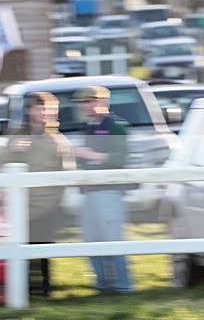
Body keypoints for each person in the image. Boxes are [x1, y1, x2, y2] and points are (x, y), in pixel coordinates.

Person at [0, 92, 74, 295]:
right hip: (20, 205)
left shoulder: (57, 140)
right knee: (21, 249)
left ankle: (45, 288)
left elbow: (66, 172)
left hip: (48, 206)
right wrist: (11, 151)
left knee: (44, 248)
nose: (44, 113)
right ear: (29, 110)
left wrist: (57, 198)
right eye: (40, 108)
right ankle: (23, 290)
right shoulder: (17, 135)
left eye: (47, 109)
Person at [72, 86, 134, 293]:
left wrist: (90, 155)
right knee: (91, 238)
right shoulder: (91, 126)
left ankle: (123, 285)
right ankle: (102, 283)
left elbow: (120, 158)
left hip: (109, 191)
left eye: (91, 101)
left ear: (103, 102)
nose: (86, 106)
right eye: (83, 103)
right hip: (91, 190)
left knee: (112, 237)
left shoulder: (116, 126)